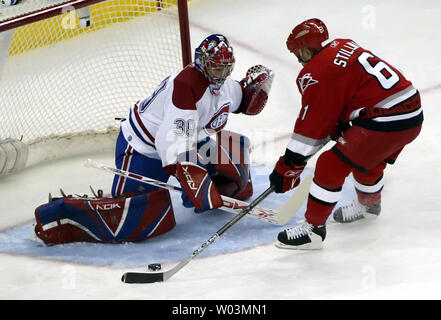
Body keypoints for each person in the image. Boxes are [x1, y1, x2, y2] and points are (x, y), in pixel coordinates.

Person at [33, 34, 274, 245]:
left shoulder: (224, 86)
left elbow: (245, 100)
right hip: (142, 148)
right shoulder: (186, 85)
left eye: (224, 68)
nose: (219, 74)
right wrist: (192, 177)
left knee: (236, 171)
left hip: (190, 142)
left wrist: (256, 88)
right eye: (214, 67)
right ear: (201, 62)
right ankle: (66, 214)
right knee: (141, 218)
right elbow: (172, 143)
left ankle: (205, 184)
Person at [269, 19, 423, 250]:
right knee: (367, 158)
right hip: (411, 112)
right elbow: (347, 91)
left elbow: (312, 127)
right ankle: (369, 205)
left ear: (304, 49)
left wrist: (289, 164)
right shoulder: (343, 44)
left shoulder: (317, 72)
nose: (299, 60)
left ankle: (312, 232)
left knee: (330, 166)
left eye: (297, 54)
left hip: (385, 119)